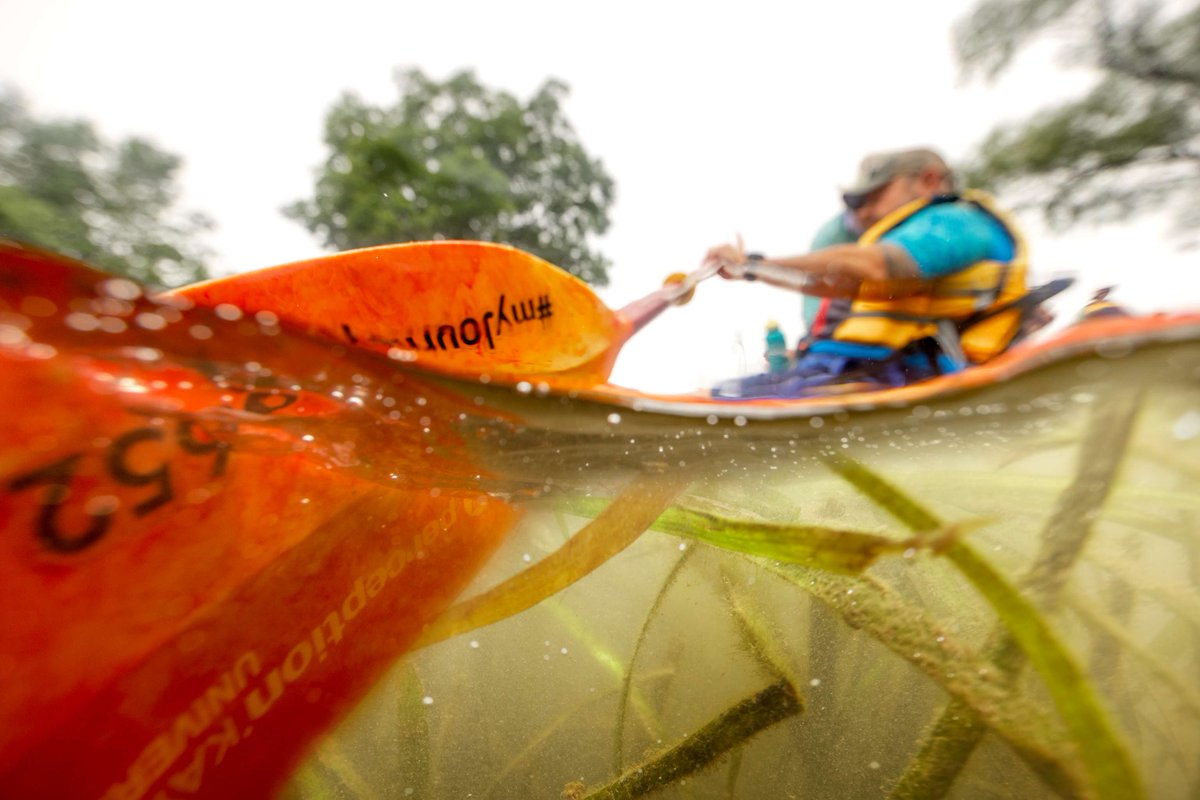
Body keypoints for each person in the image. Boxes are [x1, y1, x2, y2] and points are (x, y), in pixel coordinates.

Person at [706, 147, 1030, 398]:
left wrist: (751, 265)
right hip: (858, 372)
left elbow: (879, 267)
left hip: (899, 376)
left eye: (876, 195)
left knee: (727, 402)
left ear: (929, 181)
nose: (866, 212)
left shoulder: (954, 221)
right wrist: (751, 268)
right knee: (726, 394)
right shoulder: (915, 230)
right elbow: (827, 281)